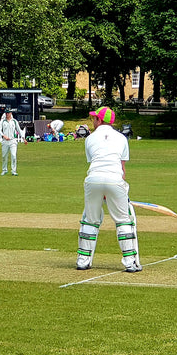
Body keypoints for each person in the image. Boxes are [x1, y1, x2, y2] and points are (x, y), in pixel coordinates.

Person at [76, 106, 141, 273]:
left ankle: (83, 260)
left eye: (94, 118)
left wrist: (104, 192)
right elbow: (122, 169)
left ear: (100, 120)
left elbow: (95, 163)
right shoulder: (122, 138)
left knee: (90, 219)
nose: (93, 121)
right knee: (123, 220)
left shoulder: (89, 139)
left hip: (93, 179)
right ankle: (129, 262)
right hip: (114, 179)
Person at [0, 111, 24, 176]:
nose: (7, 114)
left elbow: (19, 130)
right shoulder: (3, 121)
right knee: (4, 156)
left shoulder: (14, 121)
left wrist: (23, 138)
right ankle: (4, 170)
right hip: (5, 141)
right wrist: (4, 136)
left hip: (12, 141)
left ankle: (14, 171)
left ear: (11, 113)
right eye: (6, 113)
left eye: (8, 113)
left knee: (13, 155)